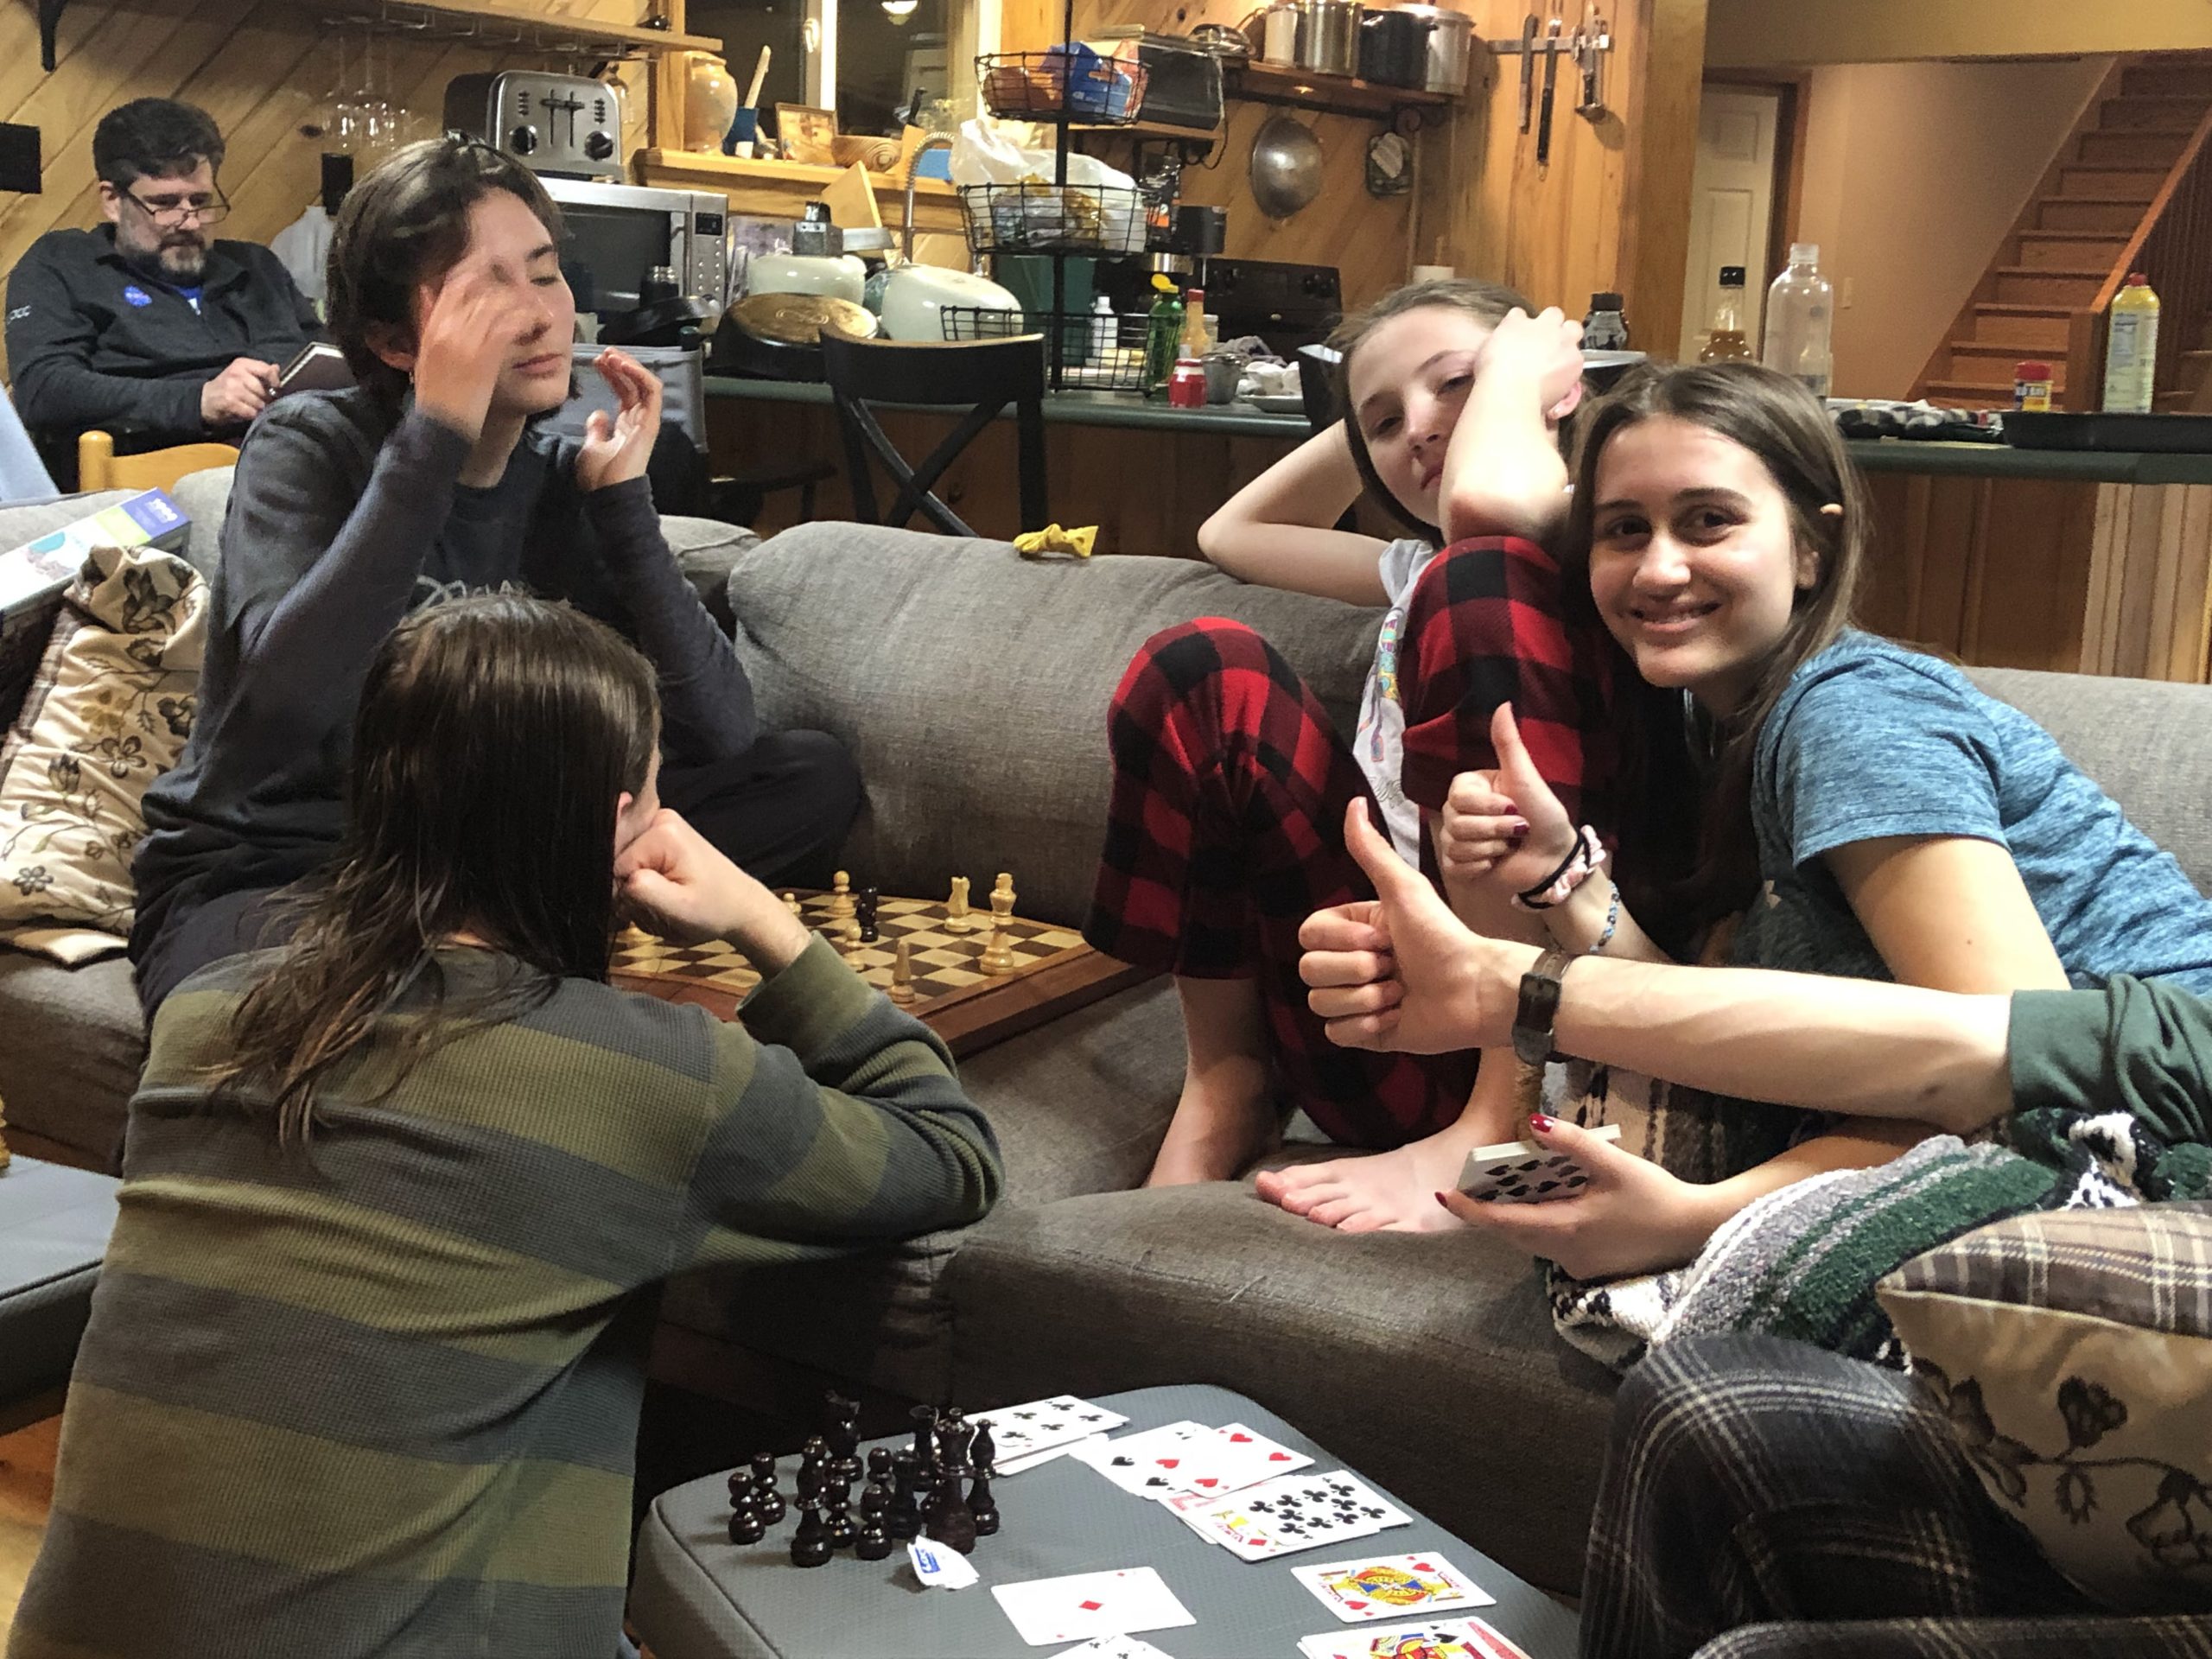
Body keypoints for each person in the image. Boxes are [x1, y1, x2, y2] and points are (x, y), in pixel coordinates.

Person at [4, 594, 1001, 1659]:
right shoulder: (651, 1076)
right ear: (614, 824)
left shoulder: (209, 1010)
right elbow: (949, 1153)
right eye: (655, 790)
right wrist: (764, 920)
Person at [1300, 803, 2212, 1656]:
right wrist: (1562, 899)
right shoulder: (1727, 766)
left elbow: (2000, 1074)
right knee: (1704, 1419)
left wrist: (1516, 993)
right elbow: (2002, 1049)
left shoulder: (1847, 718)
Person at [1409, 359, 2212, 1281]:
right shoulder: (1713, 726)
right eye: (1624, 529)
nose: (1659, 568)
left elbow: (2017, 1063)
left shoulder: (1849, 713)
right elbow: (1736, 1030)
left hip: (2161, 1111)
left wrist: (1698, 1219)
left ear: (1811, 550)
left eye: (1708, 520)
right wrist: (1563, 879)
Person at [130, 135, 861, 1015]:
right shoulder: (309, 446)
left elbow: (724, 732)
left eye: (546, 275)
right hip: (291, 871)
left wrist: (623, 510)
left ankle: (503, 945)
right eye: (486, 293)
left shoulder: (565, 485)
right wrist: (435, 434)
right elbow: (285, 708)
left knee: (808, 776)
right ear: (394, 341)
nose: (538, 315)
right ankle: (506, 957)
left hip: (491, 867)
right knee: (306, 1004)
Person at [1083, 276, 1620, 1230]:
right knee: (1202, 667)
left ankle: (1496, 1118)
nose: (1419, 428)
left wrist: (1506, 381)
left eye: (1456, 383)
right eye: (1384, 423)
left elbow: (1487, 512)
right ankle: (1228, 1081)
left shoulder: (1603, 542)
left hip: (1575, 1056)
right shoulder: (1413, 568)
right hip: (1376, 1023)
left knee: (1479, 576)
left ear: (1547, 385)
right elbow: (1229, 533)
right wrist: (1386, 405)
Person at [4, 98, 319, 473]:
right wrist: (198, 401)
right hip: (154, 472)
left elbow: (327, 356)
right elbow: (44, 391)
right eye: (165, 203)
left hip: (295, 456)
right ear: (113, 201)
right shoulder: (62, 264)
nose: (190, 222)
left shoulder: (256, 266)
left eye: (200, 201)